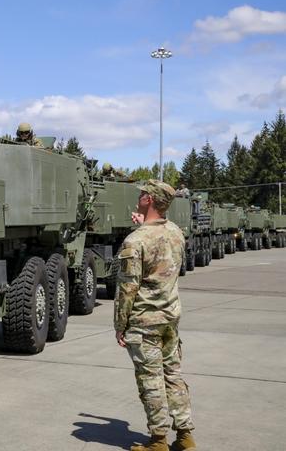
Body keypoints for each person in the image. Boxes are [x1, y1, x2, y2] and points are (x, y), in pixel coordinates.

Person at [114, 179, 196, 451]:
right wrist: (144, 225)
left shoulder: (135, 241)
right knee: (173, 374)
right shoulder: (176, 232)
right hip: (170, 318)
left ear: (149, 199)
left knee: (151, 381)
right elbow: (159, 241)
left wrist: (120, 324)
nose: (138, 197)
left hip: (145, 323)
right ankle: (185, 436)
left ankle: (158, 441)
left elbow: (128, 288)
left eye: (142, 194)